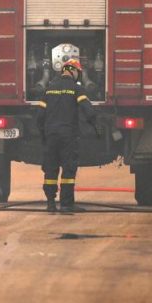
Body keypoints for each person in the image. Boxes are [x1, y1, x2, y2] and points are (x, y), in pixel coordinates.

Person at [36, 58, 99, 213]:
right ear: (74, 71)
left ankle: (50, 203)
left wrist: (43, 134)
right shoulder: (76, 89)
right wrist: (95, 126)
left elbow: (39, 115)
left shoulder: (49, 89)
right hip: (68, 136)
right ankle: (66, 204)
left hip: (51, 135)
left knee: (51, 169)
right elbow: (88, 111)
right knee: (68, 170)